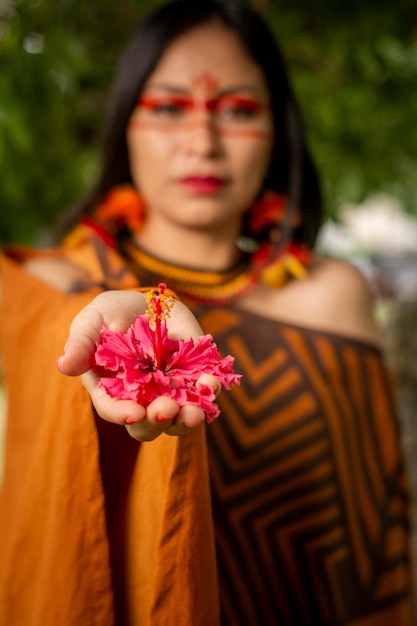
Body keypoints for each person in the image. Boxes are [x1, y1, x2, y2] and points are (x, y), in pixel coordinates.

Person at [0, 1, 413, 624]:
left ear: (278, 130)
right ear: (125, 125)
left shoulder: (333, 296)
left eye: (239, 111)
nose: (202, 142)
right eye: (168, 108)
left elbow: (375, 531)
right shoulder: (52, 283)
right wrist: (143, 321)